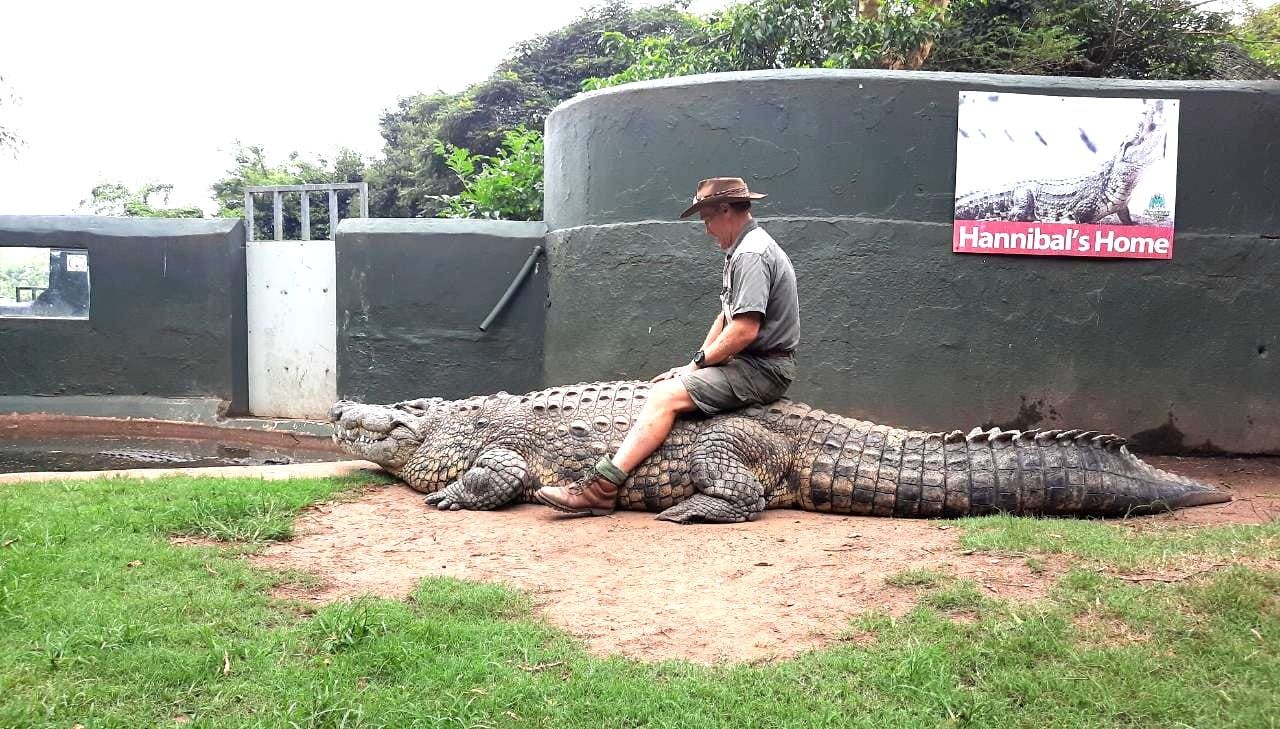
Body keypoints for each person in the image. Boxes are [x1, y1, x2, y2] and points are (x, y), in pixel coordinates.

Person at [535, 176, 800, 517]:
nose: (707, 230)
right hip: (749, 364)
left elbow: (744, 331)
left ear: (725, 210)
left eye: (707, 220)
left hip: (763, 369)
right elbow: (726, 316)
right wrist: (694, 366)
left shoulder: (751, 253)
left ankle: (602, 487)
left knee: (663, 397)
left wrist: (699, 364)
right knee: (669, 383)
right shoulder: (743, 248)